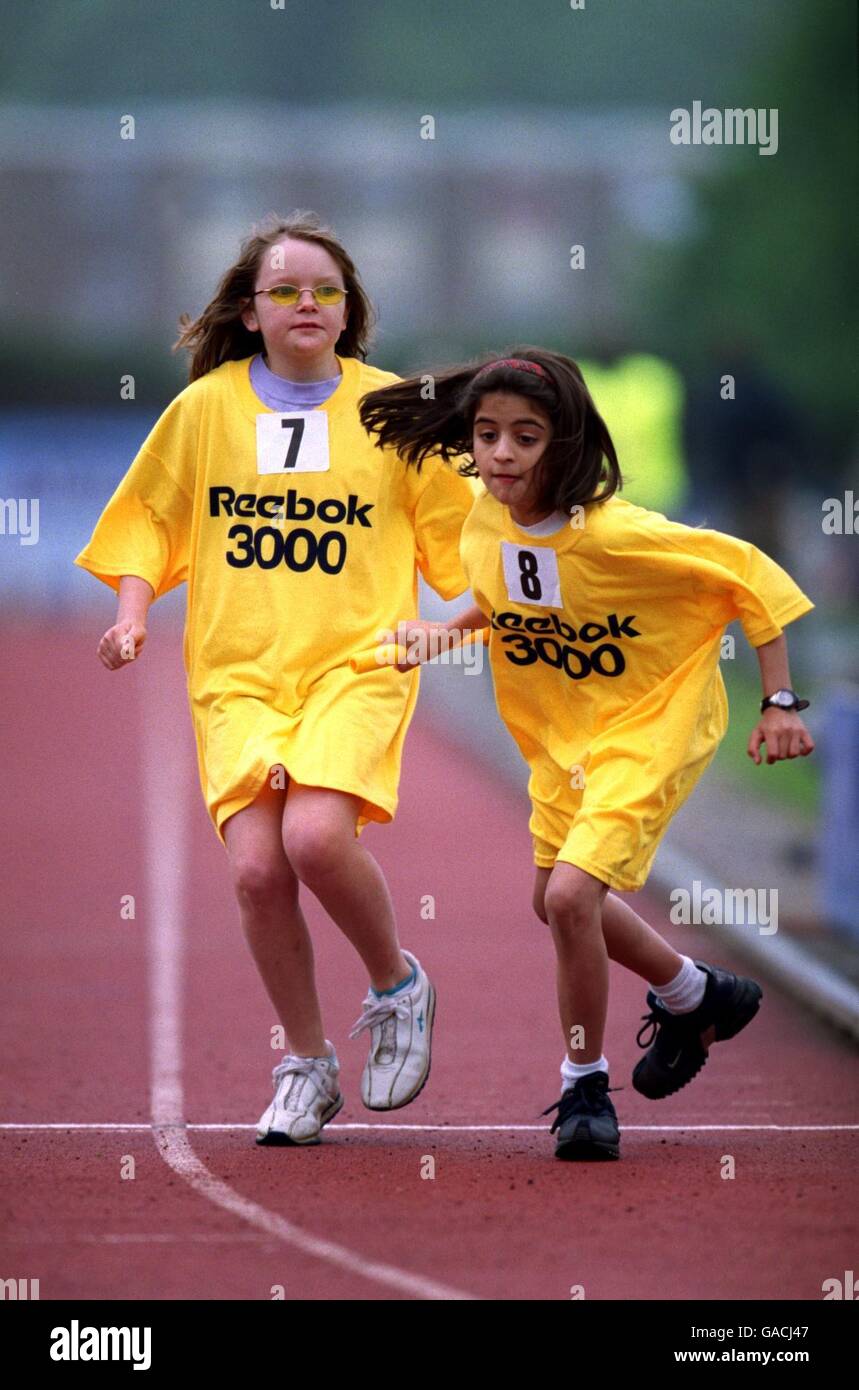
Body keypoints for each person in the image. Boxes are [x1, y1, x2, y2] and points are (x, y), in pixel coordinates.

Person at [74, 212, 476, 1146]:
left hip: (357, 661)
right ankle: (306, 1065)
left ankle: (395, 986)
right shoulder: (206, 408)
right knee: (257, 870)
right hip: (237, 671)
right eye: (286, 290)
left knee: (316, 841)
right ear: (251, 312)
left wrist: (451, 628)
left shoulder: (393, 413)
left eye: (324, 291)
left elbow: (470, 550)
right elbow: (149, 520)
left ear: (347, 311)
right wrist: (132, 614)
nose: (306, 303)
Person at [359, 348, 815, 1162]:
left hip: (648, 728)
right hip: (559, 739)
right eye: (488, 433)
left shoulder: (616, 535)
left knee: (571, 897)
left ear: (563, 444)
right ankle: (694, 993)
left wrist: (777, 702)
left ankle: (583, 1087)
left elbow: (751, 577)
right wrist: (441, 632)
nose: (500, 454)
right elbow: (503, 596)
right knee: (553, 901)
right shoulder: (484, 519)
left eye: (524, 438)